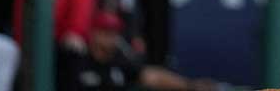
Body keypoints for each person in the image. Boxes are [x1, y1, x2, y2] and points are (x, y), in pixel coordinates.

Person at [71, 11, 215, 91]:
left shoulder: (120, 58)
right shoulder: (79, 59)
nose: (111, 38)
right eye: (106, 33)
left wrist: (189, 86)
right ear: (93, 33)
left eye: (114, 33)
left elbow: (150, 76)